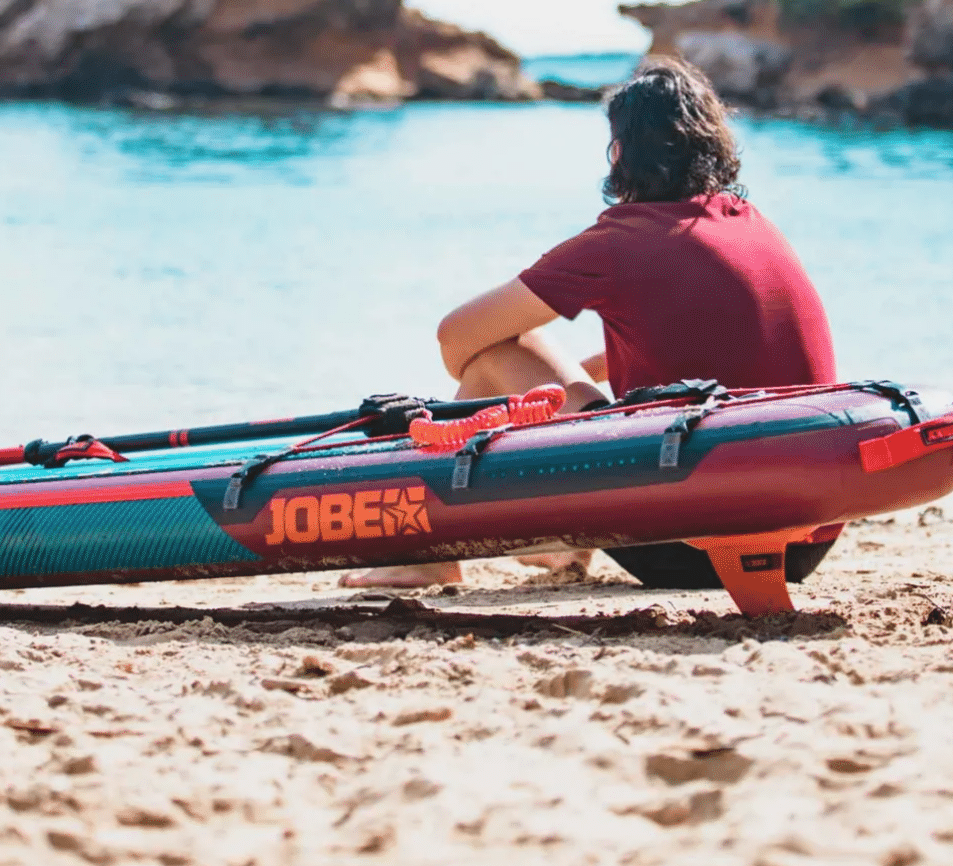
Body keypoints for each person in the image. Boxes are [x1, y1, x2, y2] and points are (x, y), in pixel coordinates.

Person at [341, 56, 835, 589]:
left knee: (502, 352)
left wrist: (527, 391)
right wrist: (578, 376)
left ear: (620, 151)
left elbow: (456, 335)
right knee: (534, 372)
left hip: (693, 543)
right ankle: (555, 549)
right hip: (806, 539)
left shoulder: (622, 239)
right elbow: (717, 356)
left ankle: (430, 552)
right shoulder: (751, 224)